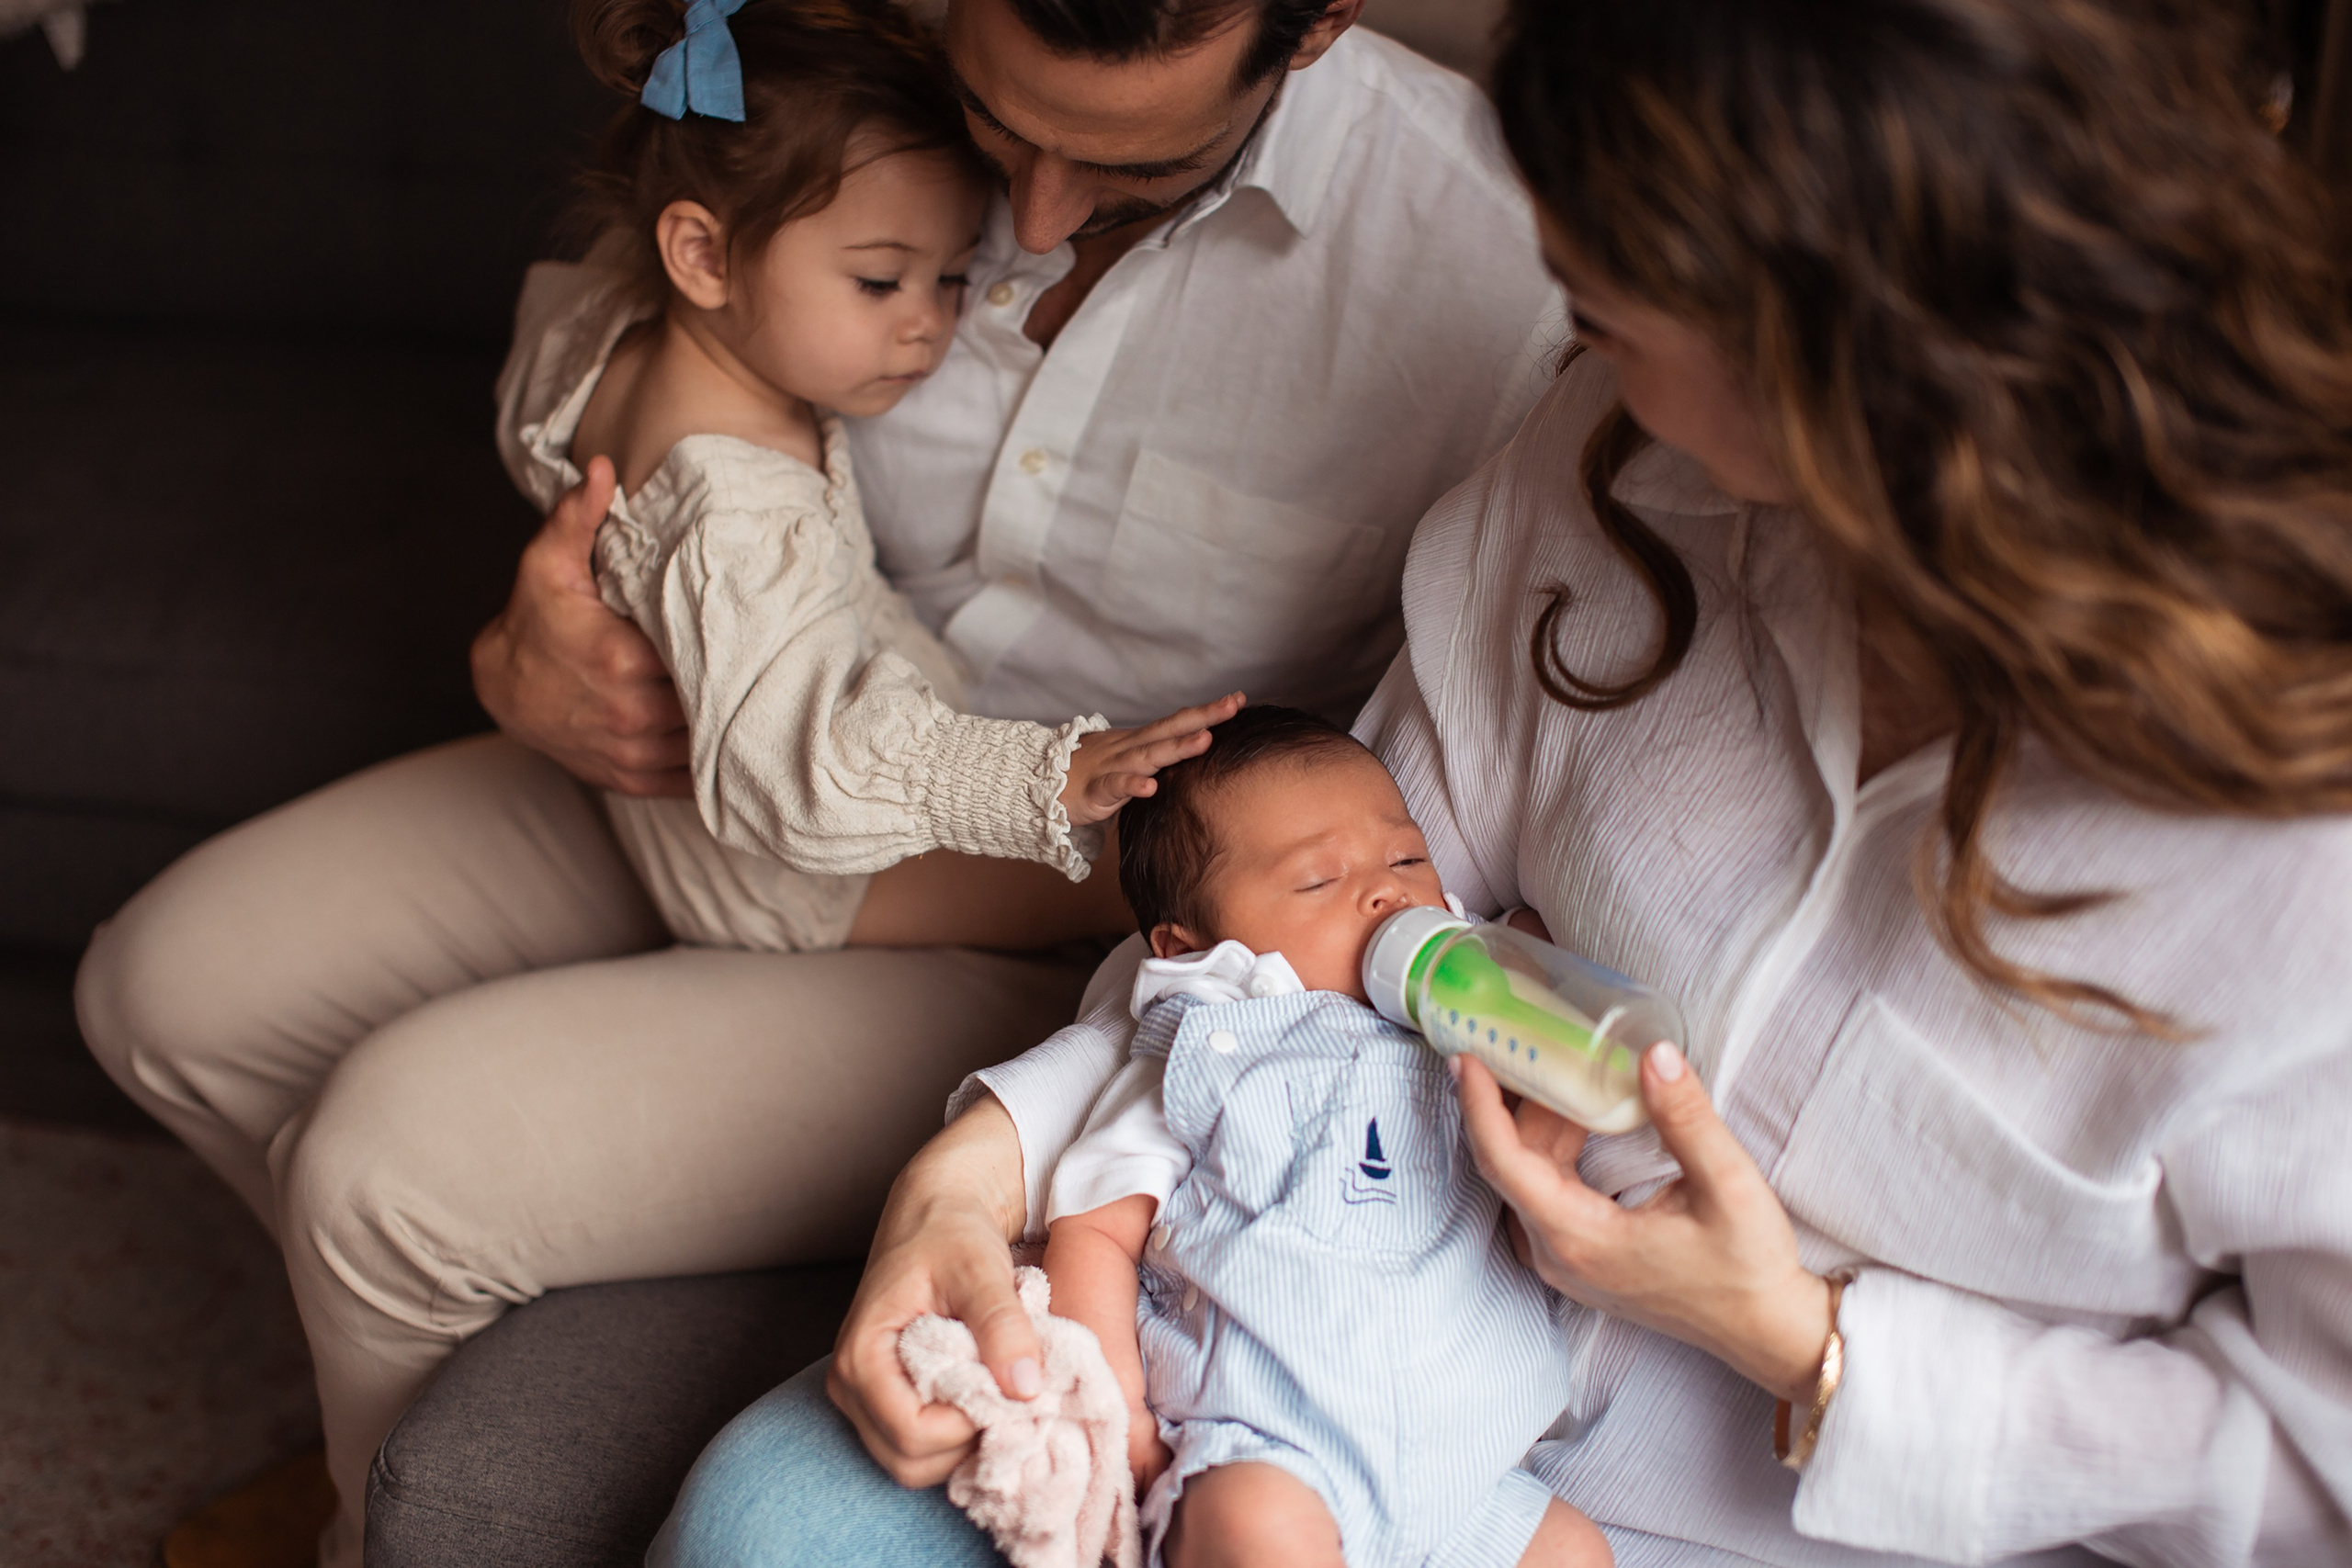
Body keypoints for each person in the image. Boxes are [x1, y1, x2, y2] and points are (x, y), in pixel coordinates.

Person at [661, 0, 2352, 1562]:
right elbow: (1303, 917)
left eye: (1609, 292)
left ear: (1848, 346)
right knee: (767, 1518)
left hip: (1768, 1522)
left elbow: (2314, 1470)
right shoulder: (1610, 480)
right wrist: (976, 1172)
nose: (1570, 331)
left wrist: (1814, 1347)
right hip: (1284, 1362)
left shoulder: (2293, 869)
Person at [73, 0, 1559, 1561]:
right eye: (1003, 131)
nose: (1031, 216)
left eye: (1128, 160)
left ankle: (387, 1524)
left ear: (1313, 26)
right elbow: (620, 319)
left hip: (1089, 914)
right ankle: (413, 1435)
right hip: (730, 765)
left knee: (384, 1175)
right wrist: (531, 636)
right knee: (165, 993)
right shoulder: (855, 63)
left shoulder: (1486, 259)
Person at [502, 0, 1230, 956]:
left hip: (706, 822)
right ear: (703, 254)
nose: (926, 325)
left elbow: (527, 414)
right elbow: (803, 775)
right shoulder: (744, 509)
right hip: (798, 882)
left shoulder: (607, 334)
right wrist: (1051, 777)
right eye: (881, 282)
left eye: (954, 278)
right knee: (1173, 869)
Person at [1038, 704, 1608, 1568]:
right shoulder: (1210, 1045)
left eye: (1407, 857)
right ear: (1194, 949)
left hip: (1465, 1467)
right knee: (1256, 1531)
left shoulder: (1456, 1026)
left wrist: (1518, 966)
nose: (1386, 892)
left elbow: (1532, 949)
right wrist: (1112, 1398)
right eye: (1317, 880)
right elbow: (1094, 1224)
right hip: (1272, 1442)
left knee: (1573, 1551)